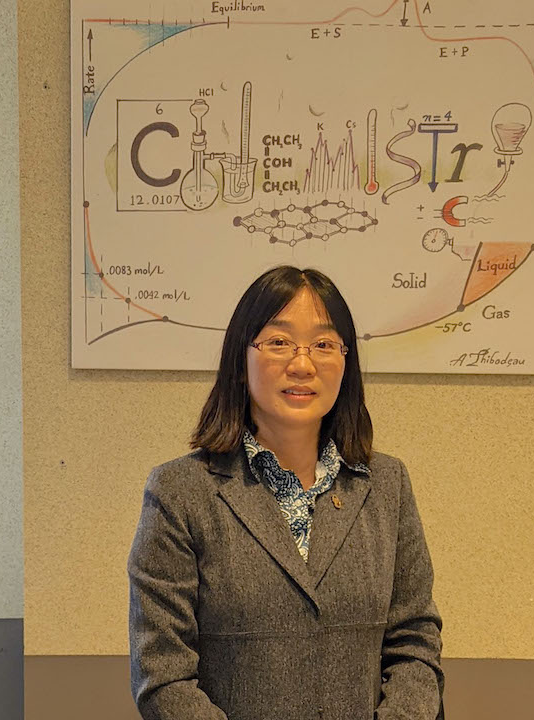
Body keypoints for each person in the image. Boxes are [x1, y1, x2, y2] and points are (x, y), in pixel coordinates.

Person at [128, 265, 445, 720]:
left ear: (346, 363)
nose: (302, 364)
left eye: (324, 344)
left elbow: (414, 641)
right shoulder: (180, 492)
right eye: (278, 342)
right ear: (240, 361)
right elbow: (163, 675)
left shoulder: (386, 484)